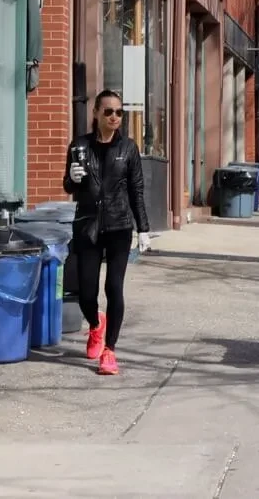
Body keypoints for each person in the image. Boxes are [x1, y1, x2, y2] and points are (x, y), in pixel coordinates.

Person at [64, 89, 151, 376]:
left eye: (119, 112)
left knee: (113, 288)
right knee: (87, 293)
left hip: (119, 227)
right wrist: (72, 179)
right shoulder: (79, 146)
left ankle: (110, 351)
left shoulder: (128, 148)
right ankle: (95, 324)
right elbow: (69, 185)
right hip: (88, 225)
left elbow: (136, 191)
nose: (115, 117)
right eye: (109, 112)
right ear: (96, 114)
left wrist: (144, 229)